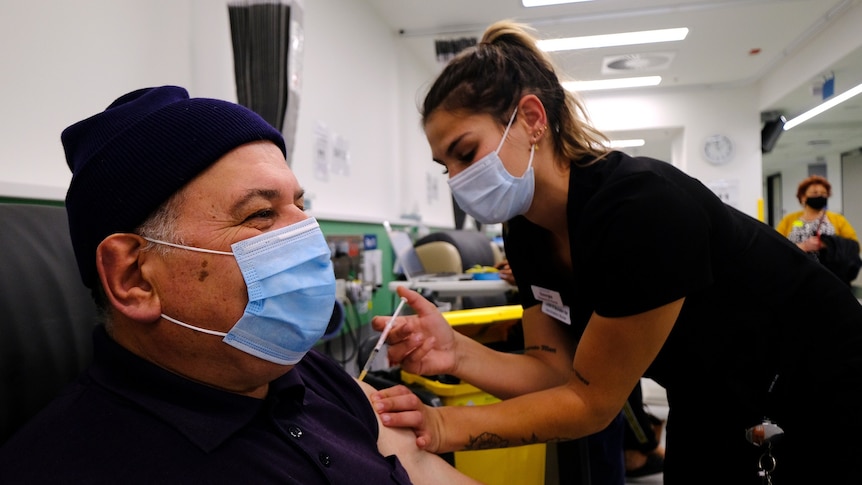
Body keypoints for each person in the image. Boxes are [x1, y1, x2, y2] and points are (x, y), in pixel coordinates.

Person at [368, 20, 862, 485]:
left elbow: (590, 403)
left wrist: (442, 425)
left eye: (466, 152)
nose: (456, 180)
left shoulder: (640, 206)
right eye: (444, 166)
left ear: (532, 119)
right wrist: (457, 352)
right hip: (711, 390)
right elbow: (555, 370)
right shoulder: (525, 232)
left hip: (823, 382)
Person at [0, 85, 479, 485]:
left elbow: (416, 464)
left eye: (299, 205)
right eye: (261, 214)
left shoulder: (305, 372)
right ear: (134, 278)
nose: (308, 235)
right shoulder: (69, 468)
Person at [776, 175, 858, 253]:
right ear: (803, 197)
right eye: (814, 193)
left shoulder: (838, 219)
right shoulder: (789, 220)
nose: (820, 196)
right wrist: (803, 246)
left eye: (824, 193)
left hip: (827, 267)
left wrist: (827, 244)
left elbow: (854, 245)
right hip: (796, 266)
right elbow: (777, 244)